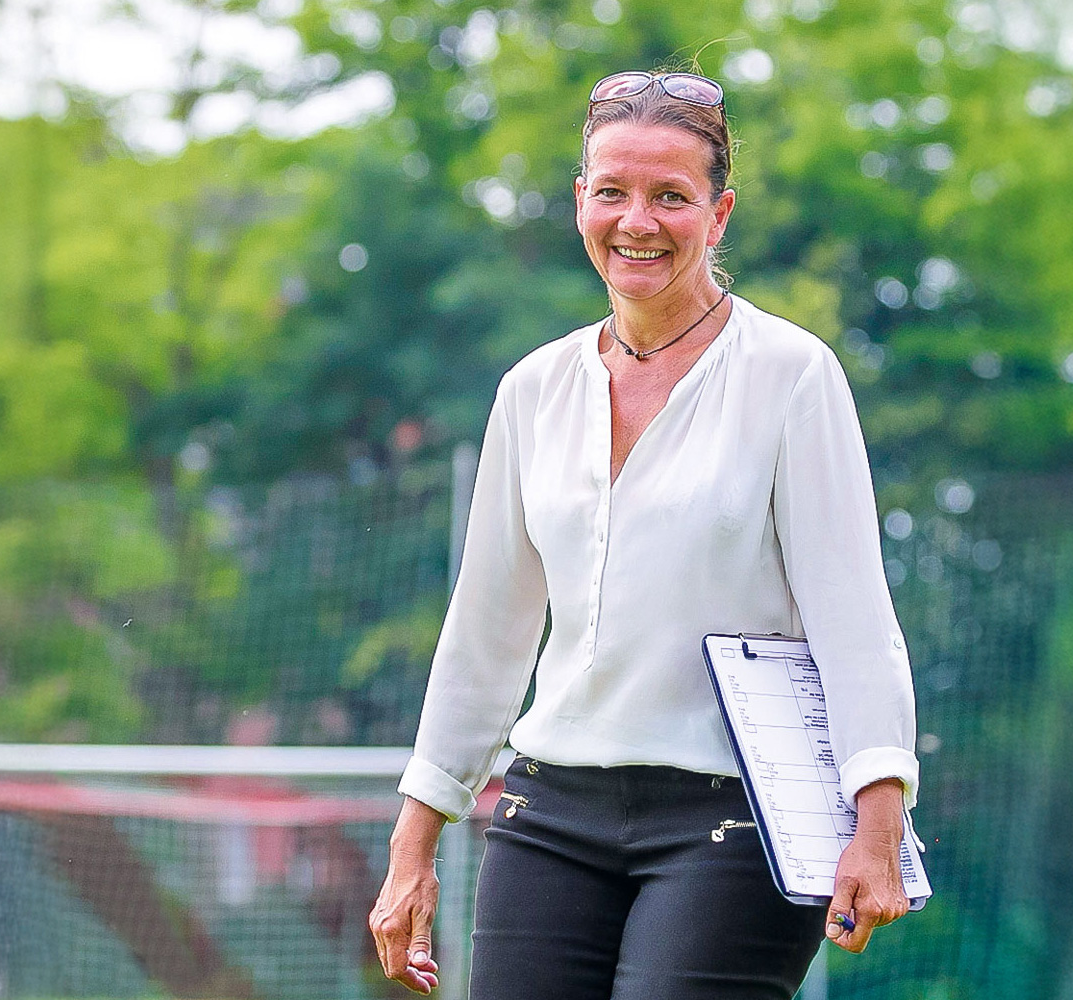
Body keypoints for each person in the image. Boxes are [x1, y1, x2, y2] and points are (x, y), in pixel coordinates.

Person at [369, 69, 919, 1000]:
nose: (638, 221)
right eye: (613, 192)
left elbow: (854, 617)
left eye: (671, 196)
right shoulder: (532, 389)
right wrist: (414, 840)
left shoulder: (792, 374)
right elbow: (487, 630)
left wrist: (879, 818)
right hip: (550, 813)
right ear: (580, 201)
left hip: (734, 821)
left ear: (719, 213)